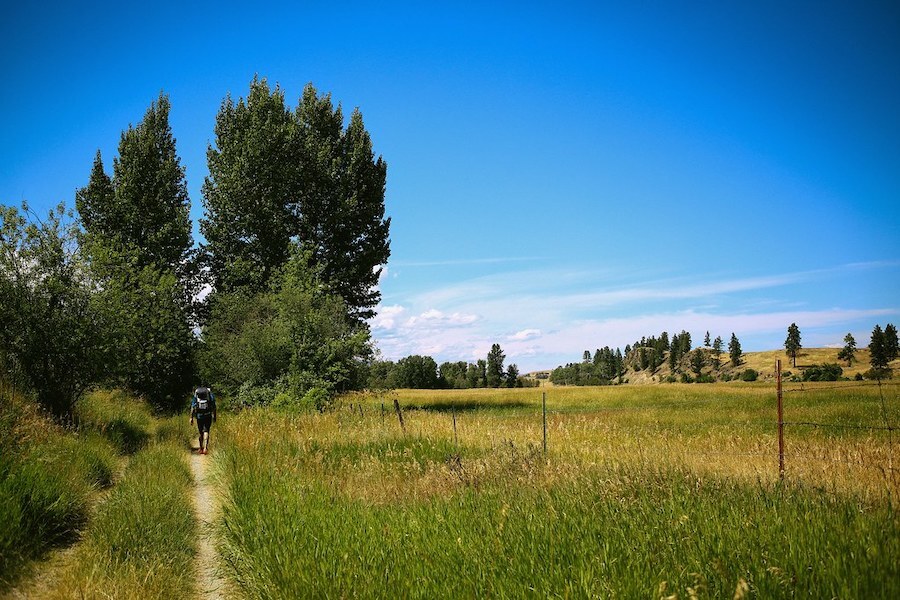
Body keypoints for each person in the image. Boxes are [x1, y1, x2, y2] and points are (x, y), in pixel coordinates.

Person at [190, 385, 217, 454]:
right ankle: (205, 448)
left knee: (200, 432)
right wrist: (214, 416)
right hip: (208, 415)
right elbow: (214, 406)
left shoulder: (196, 396)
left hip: (199, 416)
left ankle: (200, 448)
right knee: (206, 431)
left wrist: (191, 418)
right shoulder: (210, 395)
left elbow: (193, 407)